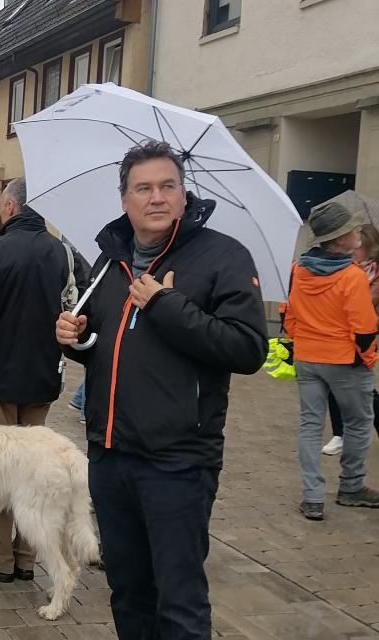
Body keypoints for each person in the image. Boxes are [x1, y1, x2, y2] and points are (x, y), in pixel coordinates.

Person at [55, 140, 268, 639]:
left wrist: (167, 306)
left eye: (167, 186)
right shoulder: (110, 260)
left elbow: (247, 349)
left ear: (183, 193)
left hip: (177, 463)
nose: (157, 198)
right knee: (128, 591)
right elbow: (108, 342)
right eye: (143, 188)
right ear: (124, 198)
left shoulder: (223, 257)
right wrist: (76, 339)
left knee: (179, 602)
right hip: (109, 456)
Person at [0, 177, 80, 583]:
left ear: (8, 207)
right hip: (41, 381)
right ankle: (26, 558)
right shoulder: (62, 253)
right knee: (33, 471)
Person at [284, 200, 379, 521]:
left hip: (308, 357)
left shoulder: (299, 267)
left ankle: (312, 498)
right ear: (340, 239)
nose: (358, 231)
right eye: (353, 229)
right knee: (358, 423)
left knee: (310, 426)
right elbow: (364, 328)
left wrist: (300, 342)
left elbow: (291, 314)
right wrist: (368, 359)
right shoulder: (351, 276)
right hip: (345, 361)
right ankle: (351, 487)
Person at [320, 222, 379, 456]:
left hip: (364, 334)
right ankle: (339, 433)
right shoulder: (347, 269)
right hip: (340, 334)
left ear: (369, 248)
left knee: (363, 390)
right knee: (335, 385)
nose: (352, 251)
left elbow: (365, 304)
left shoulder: (372, 272)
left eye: (358, 247)